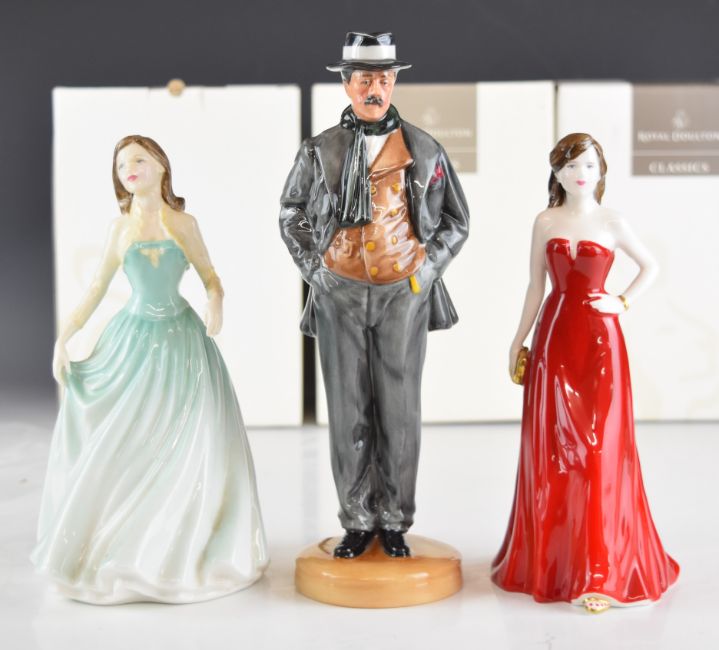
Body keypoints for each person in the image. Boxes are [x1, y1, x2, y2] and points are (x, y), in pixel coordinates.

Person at [31, 135, 269, 604]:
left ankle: (183, 541)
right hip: (133, 340)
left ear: (161, 166)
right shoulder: (119, 230)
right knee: (126, 438)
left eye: (139, 159)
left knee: (189, 439)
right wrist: (64, 337)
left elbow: (210, 276)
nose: (130, 169)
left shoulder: (184, 224)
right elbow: (96, 289)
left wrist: (216, 300)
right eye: (122, 164)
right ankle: (123, 543)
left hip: (182, 342)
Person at [279, 32, 469, 559]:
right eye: (365, 79)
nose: (375, 89)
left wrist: (424, 271)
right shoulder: (319, 150)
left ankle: (395, 519)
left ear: (394, 83)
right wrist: (315, 270)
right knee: (347, 411)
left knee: (400, 412)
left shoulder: (423, 149)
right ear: (346, 84)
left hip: (401, 294)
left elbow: (456, 220)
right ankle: (358, 518)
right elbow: (291, 212)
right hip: (338, 293)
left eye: (383, 79)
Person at [493, 133, 679, 611]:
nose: (581, 174)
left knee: (600, 448)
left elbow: (650, 266)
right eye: (572, 165)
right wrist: (518, 340)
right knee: (557, 450)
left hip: (601, 344)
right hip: (555, 338)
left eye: (590, 165)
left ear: (601, 172)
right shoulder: (545, 220)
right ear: (556, 172)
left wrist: (622, 302)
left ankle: (601, 571)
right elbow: (535, 286)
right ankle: (554, 564)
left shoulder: (613, 221)